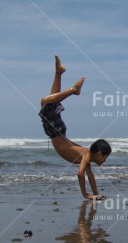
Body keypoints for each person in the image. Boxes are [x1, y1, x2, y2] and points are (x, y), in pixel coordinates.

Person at [39, 55, 111, 200]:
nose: (105, 161)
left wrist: (95, 194)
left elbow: (89, 176)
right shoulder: (85, 155)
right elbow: (80, 174)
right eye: (106, 157)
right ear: (99, 154)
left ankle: (58, 73)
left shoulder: (86, 155)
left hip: (59, 132)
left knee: (52, 101)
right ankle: (73, 90)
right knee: (46, 102)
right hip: (56, 132)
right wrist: (85, 194)